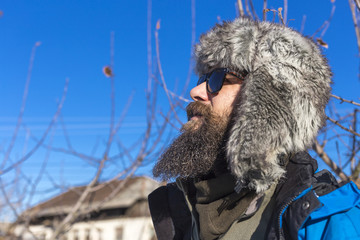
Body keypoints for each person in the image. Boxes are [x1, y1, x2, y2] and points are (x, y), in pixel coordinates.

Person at [148, 18, 360, 240]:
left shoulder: (328, 221)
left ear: (268, 101)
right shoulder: (181, 211)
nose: (195, 90)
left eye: (217, 78)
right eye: (203, 77)